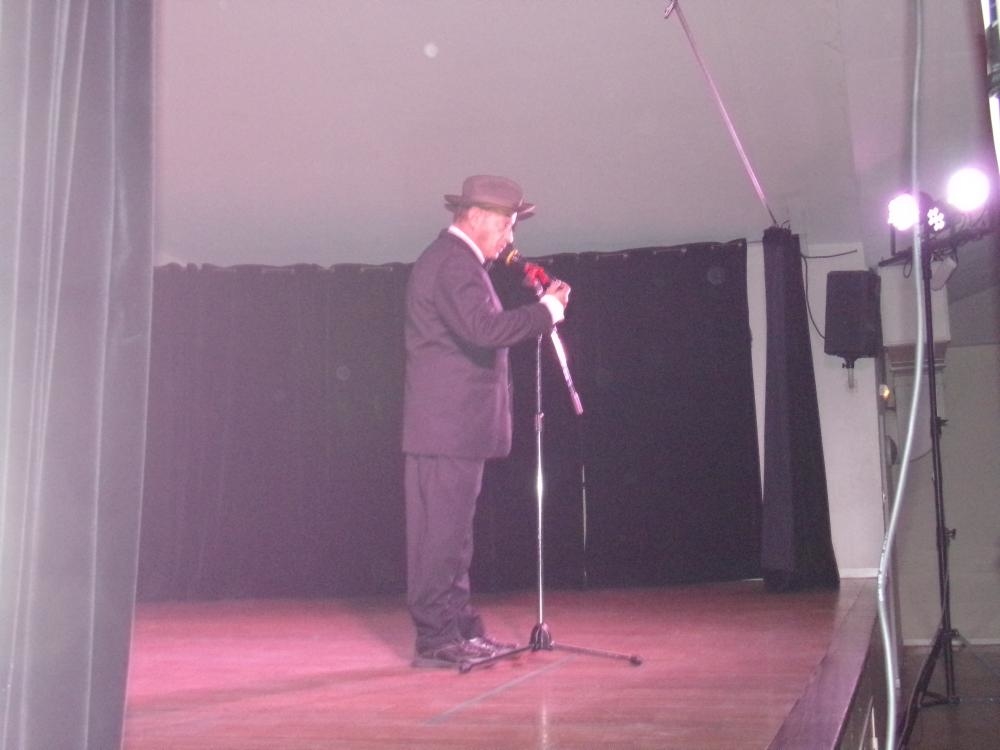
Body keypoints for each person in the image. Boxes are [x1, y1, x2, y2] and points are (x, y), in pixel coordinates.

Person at [402, 175, 571, 668]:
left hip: (452, 429)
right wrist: (545, 312)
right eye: (505, 226)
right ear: (475, 217)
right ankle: (437, 638)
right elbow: (483, 330)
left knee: (454, 539)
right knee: (440, 539)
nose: (509, 238)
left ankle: (459, 630)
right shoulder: (453, 263)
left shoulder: (457, 262)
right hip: (446, 429)